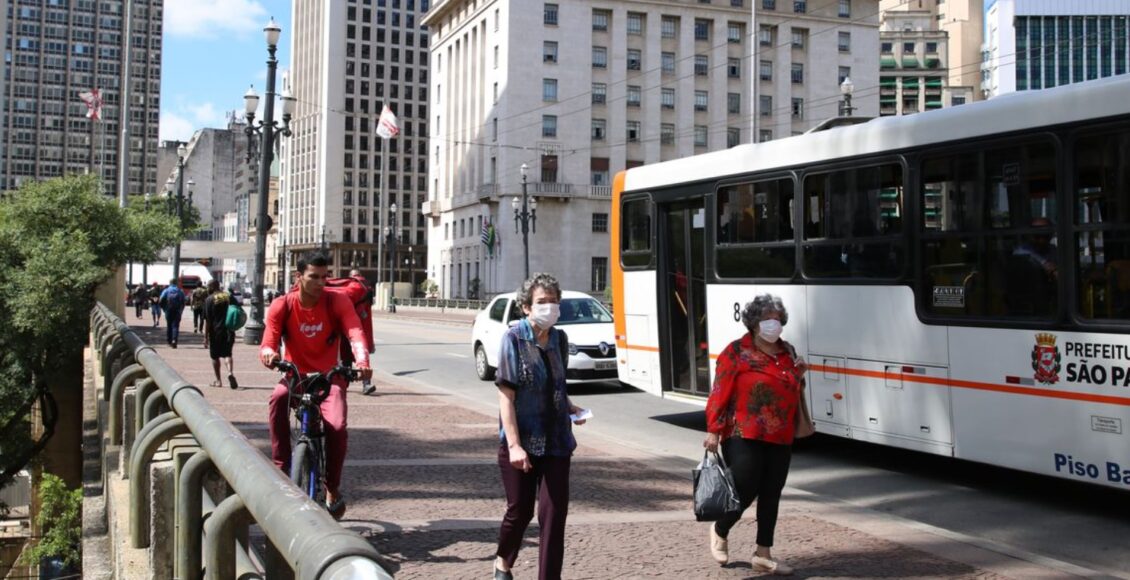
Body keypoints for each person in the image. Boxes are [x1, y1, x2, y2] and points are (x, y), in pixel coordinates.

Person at [259, 251, 372, 520]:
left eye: (325, 277)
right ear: (299, 278)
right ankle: (281, 468)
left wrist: (361, 361)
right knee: (277, 399)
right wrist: (268, 353)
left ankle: (332, 487)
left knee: (337, 425)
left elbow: (355, 331)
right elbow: (269, 340)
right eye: (314, 277)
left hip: (329, 378)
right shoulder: (282, 305)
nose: (321, 282)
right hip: (295, 377)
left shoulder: (337, 301)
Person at [703, 293, 806, 576]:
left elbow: (792, 389)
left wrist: (800, 375)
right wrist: (713, 429)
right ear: (754, 323)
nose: (774, 323)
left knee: (772, 492)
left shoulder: (788, 352)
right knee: (745, 486)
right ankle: (720, 528)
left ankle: (763, 553)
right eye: (766, 318)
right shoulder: (736, 352)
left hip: (780, 433)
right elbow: (719, 392)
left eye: (777, 318)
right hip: (742, 431)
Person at [493, 273, 587, 580]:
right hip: (522, 442)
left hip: (557, 440)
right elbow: (506, 397)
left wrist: (571, 408)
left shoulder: (559, 339)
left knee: (554, 516)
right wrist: (514, 445)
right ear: (526, 307)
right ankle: (503, 562)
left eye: (554, 301)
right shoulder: (513, 338)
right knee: (520, 512)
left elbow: (556, 383)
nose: (550, 307)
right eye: (542, 302)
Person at [1006, 217, 1058, 316]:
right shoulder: (1021, 252)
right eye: (1037, 236)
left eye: (1045, 236)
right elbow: (1049, 268)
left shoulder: (1054, 250)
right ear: (1030, 236)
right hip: (1029, 300)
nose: (1041, 240)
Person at [342, 268, 376, 395]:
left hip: (349, 326)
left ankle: (343, 384)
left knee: (346, 356)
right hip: (363, 327)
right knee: (362, 355)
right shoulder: (367, 287)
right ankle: (366, 384)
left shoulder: (352, 286)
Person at [203, 280, 238, 389]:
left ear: (212, 287)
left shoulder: (209, 299)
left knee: (215, 356)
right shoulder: (229, 296)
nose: (207, 288)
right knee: (228, 354)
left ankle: (218, 381)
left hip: (215, 331)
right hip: (229, 330)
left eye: (208, 286)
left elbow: (207, 321)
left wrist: (205, 337)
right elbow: (237, 310)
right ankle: (230, 372)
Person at [158, 279, 187, 348]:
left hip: (168, 310)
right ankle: (174, 340)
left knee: (169, 325)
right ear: (176, 283)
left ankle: (169, 341)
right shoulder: (180, 291)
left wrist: (164, 309)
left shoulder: (166, 290)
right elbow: (183, 301)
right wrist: (181, 310)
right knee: (175, 326)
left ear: (170, 283)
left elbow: (161, 300)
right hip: (177, 311)